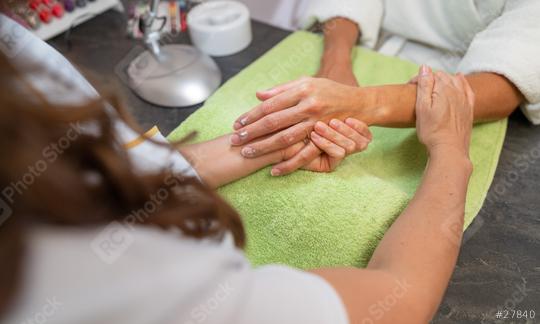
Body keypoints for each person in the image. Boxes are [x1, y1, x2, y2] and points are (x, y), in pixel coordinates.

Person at [1, 13, 475, 324]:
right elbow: (399, 300)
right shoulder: (118, 285)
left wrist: (284, 131)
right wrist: (452, 151)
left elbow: (114, 176)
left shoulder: (14, 59)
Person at [229, 0, 540, 176]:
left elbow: (502, 83)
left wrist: (361, 104)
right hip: (365, 38)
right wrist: (335, 63)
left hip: (459, 77)